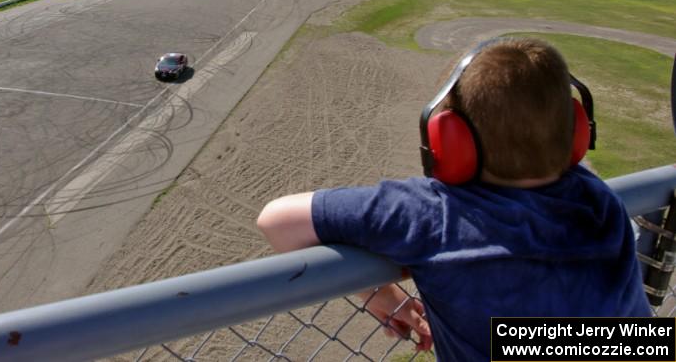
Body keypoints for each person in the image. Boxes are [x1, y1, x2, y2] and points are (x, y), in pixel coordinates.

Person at [257, 37, 650, 361]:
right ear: (579, 132)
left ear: (448, 141)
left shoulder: (433, 215)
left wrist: (383, 296)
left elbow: (276, 221)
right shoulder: (599, 202)